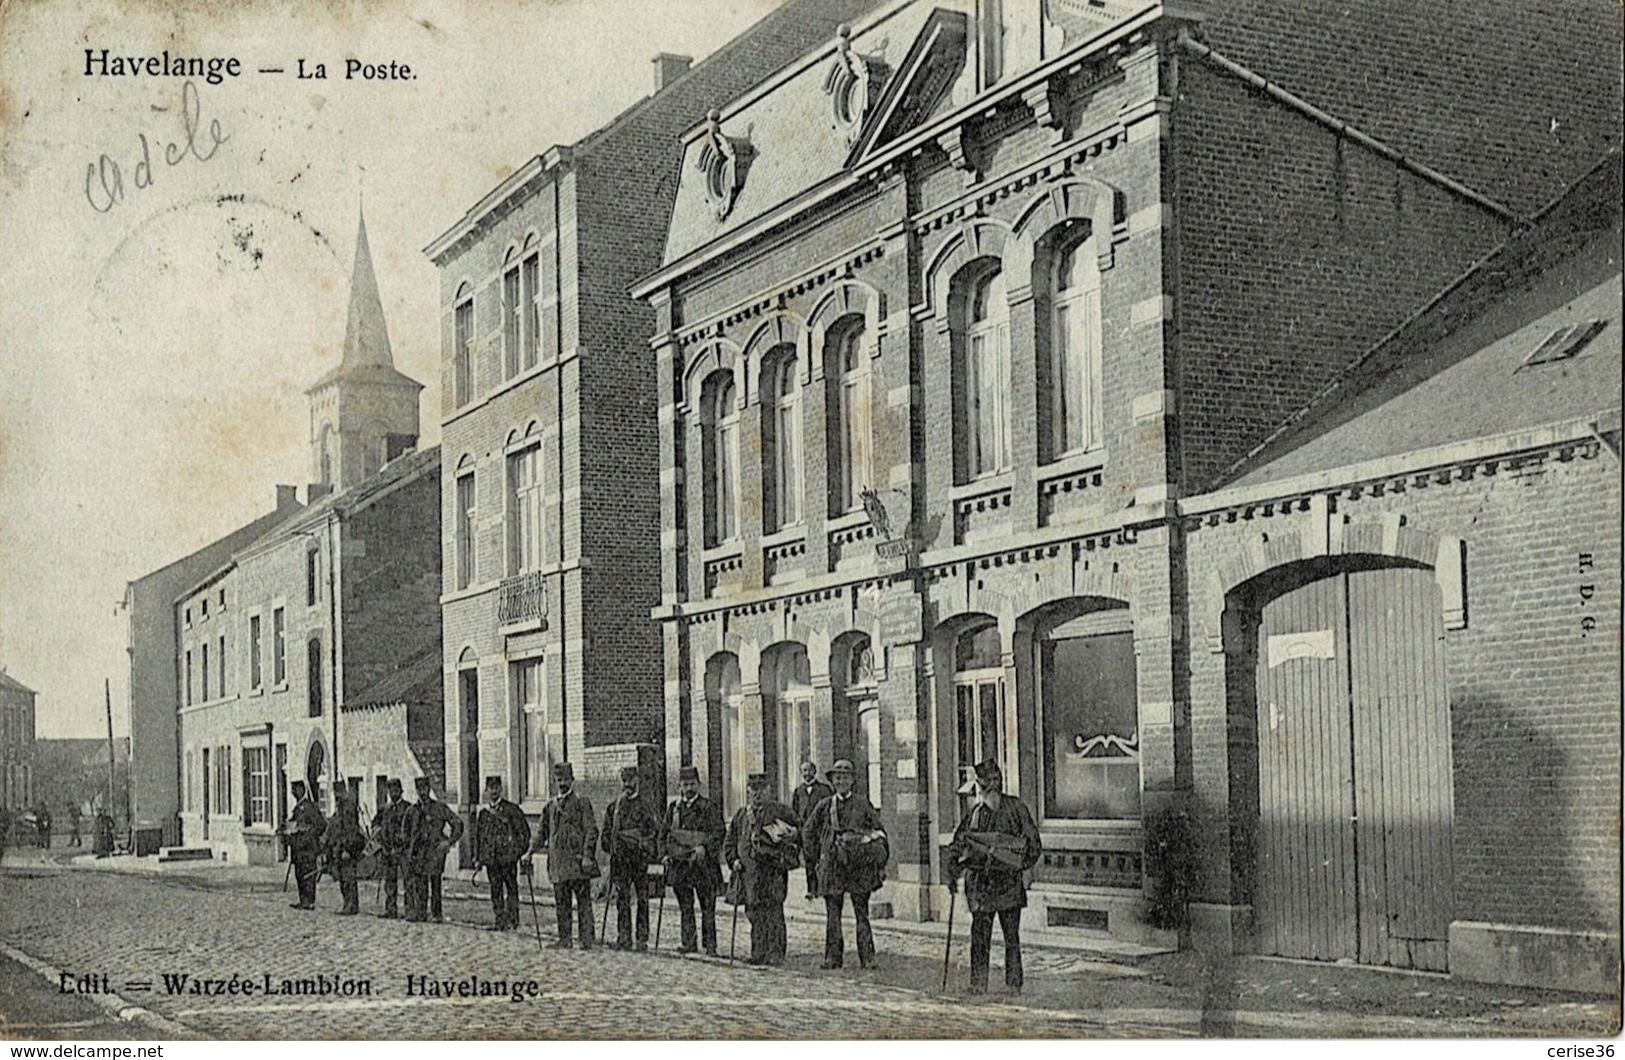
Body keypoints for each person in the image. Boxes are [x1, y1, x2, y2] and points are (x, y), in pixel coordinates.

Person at [946, 758, 1042, 995]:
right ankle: (978, 983)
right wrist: (953, 870)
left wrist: (1019, 864)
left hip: (1008, 883)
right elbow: (958, 844)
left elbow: (1033, 843)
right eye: (986, 783)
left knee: (1011, 936)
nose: (990, 787)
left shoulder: (1016, 808)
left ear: (998, 782)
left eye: (993, 781)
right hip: (981, 885)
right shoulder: (975, 814)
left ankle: (1013, 983)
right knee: (980, 935)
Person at [802, 759, 887, 970]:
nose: (841, 781)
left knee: (862, 914)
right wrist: (816, 859)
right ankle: (832, 957)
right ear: (832, 781)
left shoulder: (862, 804)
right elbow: (807, 832)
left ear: (852, 780)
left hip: (858, 867)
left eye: (845, 777)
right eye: (837, 778)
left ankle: (867, 958)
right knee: (833, 915)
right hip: (833, 866)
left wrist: (875, 855)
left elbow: (880, 833)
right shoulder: (824, 806)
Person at [725, 773, 800, 967]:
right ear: (748, 792)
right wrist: (733, 860)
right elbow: (730, 842)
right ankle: (758, 952)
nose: (757, 795)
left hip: (773, 871)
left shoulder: (781, 811)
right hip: (749, 873)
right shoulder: (742, 815)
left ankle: (776, 953)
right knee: (754, 912)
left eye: (762, 790)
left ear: (769, 791)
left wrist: (791, 835)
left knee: (774, 911)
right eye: (753, 791)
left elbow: (799, 831)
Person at [524, 762, 598, 949]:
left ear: (572, 780)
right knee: (561, 903)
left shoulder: (582, 803)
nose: (562, 783)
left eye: (565, 779)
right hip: (558, 863)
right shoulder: (550, 806)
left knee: (583, 903)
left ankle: (586, 939)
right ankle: (564, 938)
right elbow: (541, 834)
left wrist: (588, 855)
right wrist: (530, 852)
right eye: (559, 780)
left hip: (578, 862)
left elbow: (591, 831)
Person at [662, 764, 724, 956]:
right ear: (679, 787)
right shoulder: (674, 808)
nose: (688, 788)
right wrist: (664, 854)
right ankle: (688, 942)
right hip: (681, 866)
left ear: (699, 784)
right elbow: (664, 834)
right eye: (685, 785)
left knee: (707, 907)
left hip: (703, 866)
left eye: (692, 784)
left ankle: (710, 944)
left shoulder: (709, 807)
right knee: (685, 906)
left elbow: (719, 832)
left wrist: (705, 847)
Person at [600, 765, 660, 951]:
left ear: (637, 781)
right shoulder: (614, 808)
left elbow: (653, 833)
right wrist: (611, 844)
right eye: (624, 781)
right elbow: (605, 836)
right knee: (622, 899)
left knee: (642, 899)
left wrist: (642, 844)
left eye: (631, 781)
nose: (628, 785)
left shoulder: (646, 806)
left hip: (639, 861)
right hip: (621, 861)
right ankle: (623, 937)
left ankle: (642, 939)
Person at [473, 776, 531, 931]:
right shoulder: (484, 814)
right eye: (490, 788)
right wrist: (478, 858)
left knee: (512, 889)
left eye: (496, 787)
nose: (493, 791)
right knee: (495, 890)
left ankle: (513, 920)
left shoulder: (512, 810)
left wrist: (517, 853)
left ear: (501, 789)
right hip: (492, 860)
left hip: (508, 860)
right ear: (486, 790)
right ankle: (500, 920)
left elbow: (524, 833)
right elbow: (479, 837)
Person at [404, 776, 463, 923]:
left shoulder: (439, 808)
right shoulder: (411, 811)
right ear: (416, 791)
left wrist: (448, 842)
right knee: (419, 885)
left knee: (435, 884)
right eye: (419, 789)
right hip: (418, 854)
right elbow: (405, 832)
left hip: (435, 852)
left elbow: (457, 824)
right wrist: (408, 850)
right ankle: (421, 913)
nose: (422, 792)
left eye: (424, 789)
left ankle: (437, 914)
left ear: (428, 789)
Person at [789, 760, 834, 898]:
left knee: (822, 860)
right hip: (805, 833)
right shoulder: (798, 791)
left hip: (820, 831)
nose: (807, 774)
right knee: (809, 861)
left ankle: (823, 888)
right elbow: (794, 811)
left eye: (809, 770)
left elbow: (829, 809)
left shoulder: (824, 789)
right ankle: (811, 889)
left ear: (815, 771)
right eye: (804, 771)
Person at [322, 786, 366, 915]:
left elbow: (351, 830)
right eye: (335, 793)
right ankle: (347, 903)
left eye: (338, 792)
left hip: (347, 849)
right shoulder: (339, 808)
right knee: (343, 878)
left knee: (349, 878)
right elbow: (335, 825)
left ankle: (352, 905)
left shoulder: (348, 808)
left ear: (343, 792)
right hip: (339, 849)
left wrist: (348, 849)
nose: (336, 796)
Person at [284, 780, 327, 910]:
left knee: (308, 874)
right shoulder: (297, 808)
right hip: (298, 849)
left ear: (302, 790)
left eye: (295, 789)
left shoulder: (309, 807)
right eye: (292, 790)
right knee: (299, 874)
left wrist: (308, 834)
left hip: (308, 849)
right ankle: (303, 900)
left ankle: (309, 901)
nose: (293, 792)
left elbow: (321, 825)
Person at [371, 779, 409, 919]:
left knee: (407, 880)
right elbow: (375, 824)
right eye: (391, 790)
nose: (394, 793)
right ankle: (390, 909)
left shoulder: (407, 808)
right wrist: (378, 832)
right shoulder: (384, 809)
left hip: (403, 851)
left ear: (401, 791)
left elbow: (410, 830)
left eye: (396, 790)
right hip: (387, 850)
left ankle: (409, 910)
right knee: (390, 881)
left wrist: (401, 845)